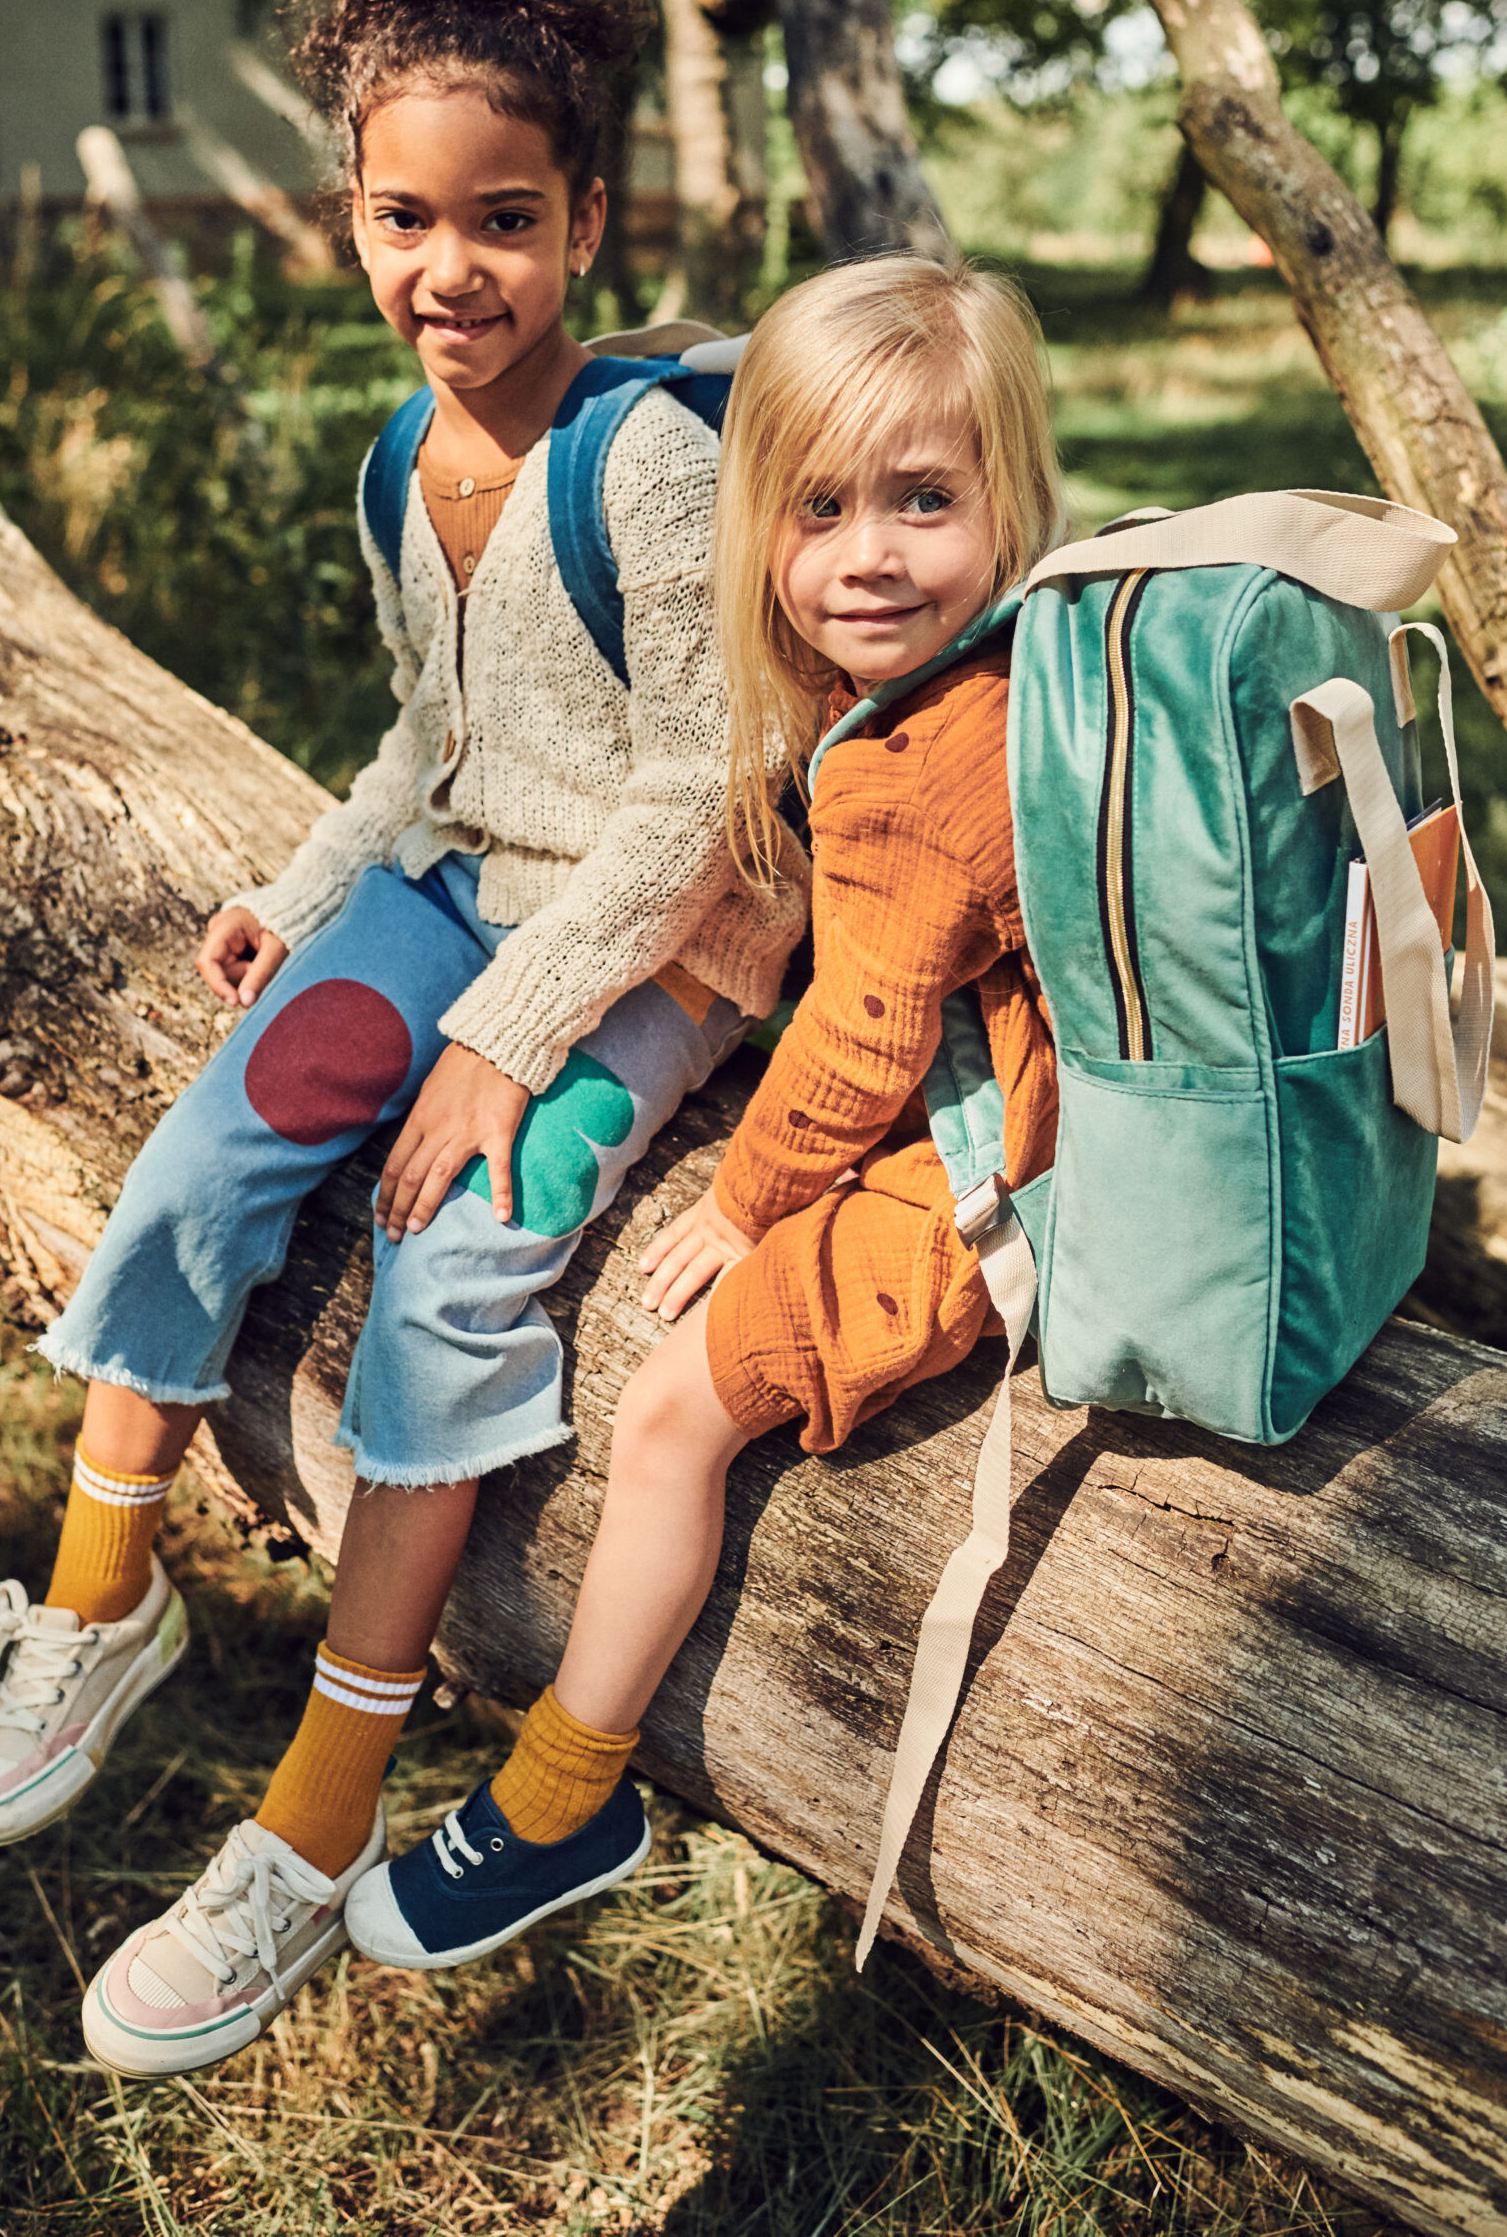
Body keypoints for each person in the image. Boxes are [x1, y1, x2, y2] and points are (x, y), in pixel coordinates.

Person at [0, 0, 805, 2078]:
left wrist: (509, 1043)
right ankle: (102, 1580)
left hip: (656, 945)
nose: (452, 273)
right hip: (444, 886)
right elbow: (434, 737)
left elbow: (702, 794)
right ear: (347, 215)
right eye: (406, 220)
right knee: (225, 1117)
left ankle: (317, 1815)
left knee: (452, 1254)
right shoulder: (393, 458)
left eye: (502, 218)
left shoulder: (653, 457)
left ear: (588, 214)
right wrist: (305, 882)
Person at [342, 252, 1063, 1973]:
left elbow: (866, 1045)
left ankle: (567, 1791)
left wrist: (743, 1208)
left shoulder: (913, 767)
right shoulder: (981, 670)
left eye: (923, 500)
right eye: (817, 507)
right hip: (978, 1090)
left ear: (1010, 499)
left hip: (1003, 1168)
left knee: (672, 1409)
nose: (867, 552)